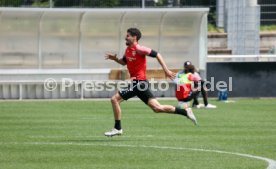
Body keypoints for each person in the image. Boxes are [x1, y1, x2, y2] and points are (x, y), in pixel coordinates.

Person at [104, 28, 197, 137]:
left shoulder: (139, 49)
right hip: (140, 84)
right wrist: (114, 59)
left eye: (128, 36)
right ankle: (185, 112)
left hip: (139, 83)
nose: (126, 37)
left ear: (135, 37)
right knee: (157, 108)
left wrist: (166, 70)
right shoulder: (128, 50)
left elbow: (157, 54)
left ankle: (117, 128)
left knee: (114, 99)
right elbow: (124, 62)